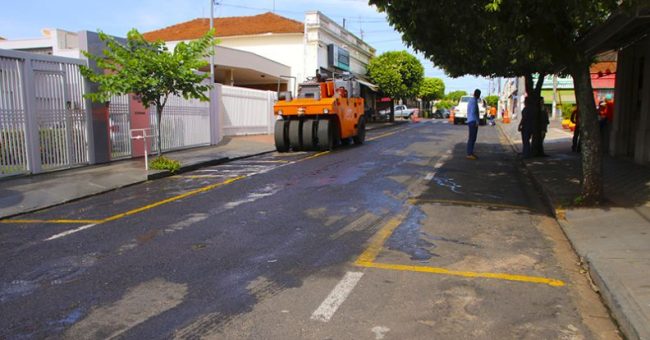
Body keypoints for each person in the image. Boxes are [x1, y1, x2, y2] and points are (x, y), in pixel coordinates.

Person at [466, 89, 481, 160]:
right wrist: (477, 121)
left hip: (470, 120)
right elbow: (474, 112)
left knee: (472, 138)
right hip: (473, 121)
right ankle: (469, 153)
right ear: (478, 94)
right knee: (472, 138)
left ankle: (470, 152)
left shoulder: (471, 100)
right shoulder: (474, 101)